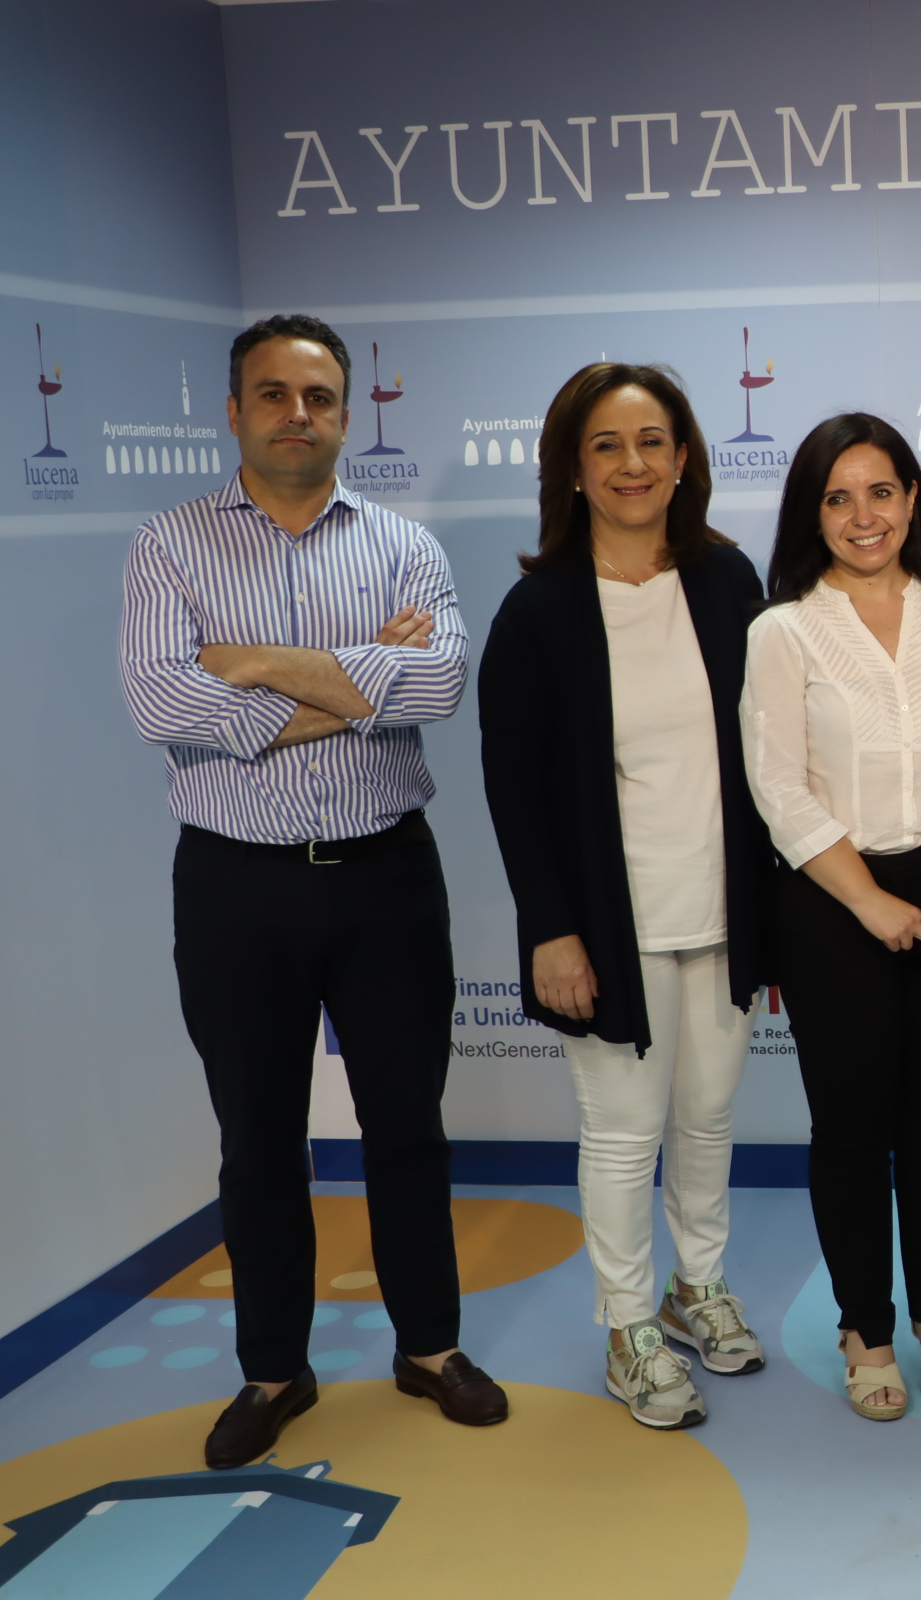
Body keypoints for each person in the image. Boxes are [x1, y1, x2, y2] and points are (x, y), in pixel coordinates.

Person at [119, 314, 507, 1470]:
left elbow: (435, 683)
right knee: (258, 1139)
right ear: (233, 411)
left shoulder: (403, 544)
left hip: (387, 875)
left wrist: (246, 663)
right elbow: (160, 705)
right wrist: (352, 681)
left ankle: (428, 1347)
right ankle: (273, 1370)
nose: (300, 412)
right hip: (236, 885)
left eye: (321, 395)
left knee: (406, 1128)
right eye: (274, 393)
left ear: (348, 413)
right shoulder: (168, 546)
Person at [479, 363, 773, 1430]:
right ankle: (627, 1325)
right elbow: (512, 790)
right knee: (621, 1132)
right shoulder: (538, 609)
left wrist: (773, 922)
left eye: (651, 441)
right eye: (606, 445)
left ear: (685, 456)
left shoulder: (729, 582)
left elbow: (769, 757)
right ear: (571, 467)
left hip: (724, 909)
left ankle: (698, 1287)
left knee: (707, 1119)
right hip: (608, 924)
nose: (632, 464)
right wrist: (550, 929)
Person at [743, 413, 921, 1421]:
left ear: (913, 499)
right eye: (838, 497)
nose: (865, 516)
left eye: (883, 491)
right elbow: (779, 788)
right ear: (811, 513)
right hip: (829, 899)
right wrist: (867, 901)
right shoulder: (784, 630)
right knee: (853, 1128)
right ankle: (867, 1324)